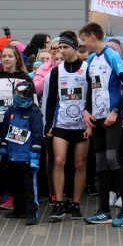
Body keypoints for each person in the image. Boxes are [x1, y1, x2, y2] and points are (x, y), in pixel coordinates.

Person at [81, 22, 123, 227]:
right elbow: (92, 90)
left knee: (113, 159)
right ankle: (104, 209)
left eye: (84, 39)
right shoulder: (91, 60)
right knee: (100, 163)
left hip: (112, 117)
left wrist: (115, 111)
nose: (83, 43)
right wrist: (86, 111)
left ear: (93, 37)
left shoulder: (111, 56)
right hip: (97, 119)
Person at [44, 31, 91, 222]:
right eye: (60, 48)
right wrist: (48, 124)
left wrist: (90, 124)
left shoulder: (87, 68)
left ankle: (76, 203)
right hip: (62, 124)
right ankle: (59, 202)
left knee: (80, 164)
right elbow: (51, 100)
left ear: (74, 48)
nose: (61, 51)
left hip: (82, 124)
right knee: (59, 161)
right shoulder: (57, 71)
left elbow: (91, 97)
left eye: (65, 47)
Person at [0, 43, 30, 214]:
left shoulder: (25, 78)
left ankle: (12, 196)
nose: (5, 58)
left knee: (14, 163)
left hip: (18, 126)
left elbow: (31, 103)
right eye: (3, 56)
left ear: (16, 58)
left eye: (9, 56)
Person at [0, 80, 44, 225]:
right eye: (15, 93)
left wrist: (35, 155)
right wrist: (3, 150)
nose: (16, 96)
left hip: (27, 155)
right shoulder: (11, 110)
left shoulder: (34, 111)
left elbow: (37, 133)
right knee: (16, 184)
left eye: (19, 93)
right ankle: (19, 209)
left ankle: (32, 212)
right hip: (13, 154)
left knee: (30, 186)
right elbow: (5, 130)